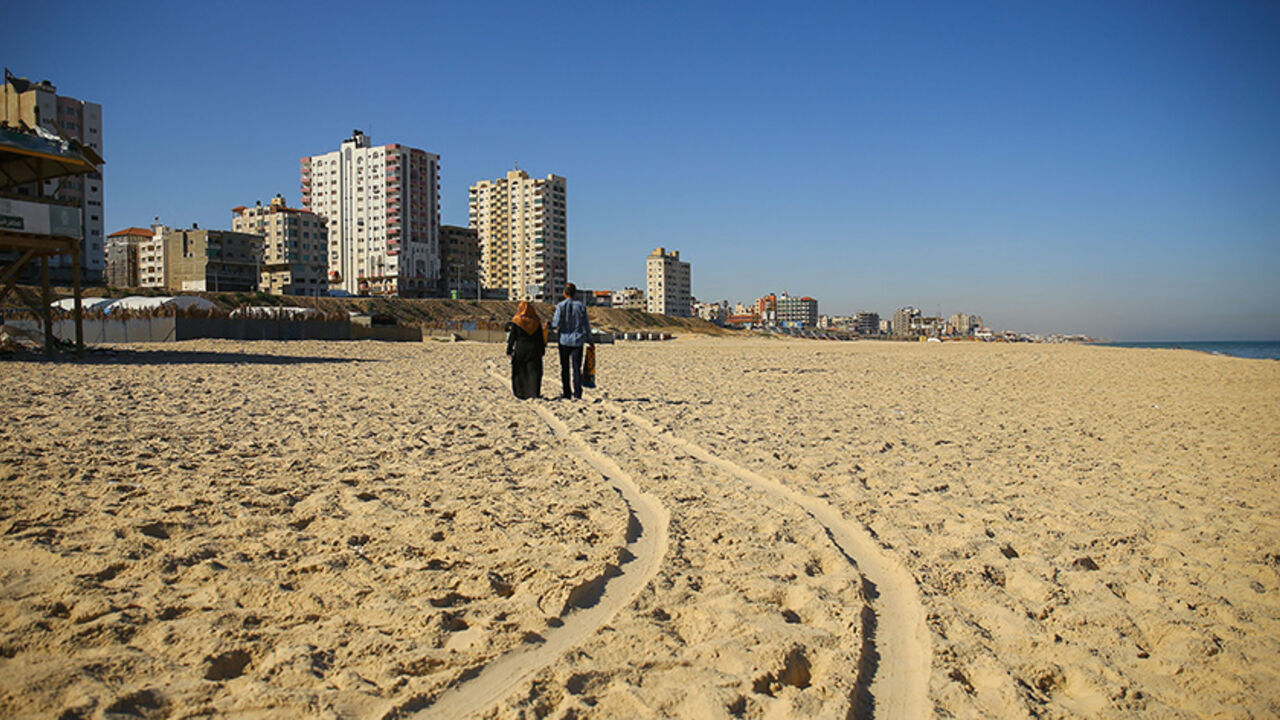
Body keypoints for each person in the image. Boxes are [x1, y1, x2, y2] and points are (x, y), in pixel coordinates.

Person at [550, 283, 594, 399]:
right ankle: (578, 392)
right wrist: (590, 340)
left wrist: (548, 326)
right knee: (576, 368)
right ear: (575, 294)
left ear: (564, 293)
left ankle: (567, 392)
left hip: (564, 340)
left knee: (564, 368)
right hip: (578, 341)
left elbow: (556, 324)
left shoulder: (560, 306)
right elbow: (586, 325)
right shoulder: (581, 306)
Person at [505, 301, 545, 399]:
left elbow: (512, 337)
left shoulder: (517, 321)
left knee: (519, 371)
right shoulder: (536, 321)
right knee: (534, 371)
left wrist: (509, 350)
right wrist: (542, 350)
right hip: (534, 349)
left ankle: (520, 392)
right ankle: (533, 392)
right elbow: (540, 338)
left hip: (521, 348)